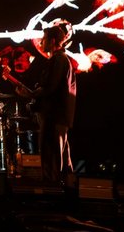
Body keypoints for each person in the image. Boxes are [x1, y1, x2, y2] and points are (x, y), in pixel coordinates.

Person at [12, 19, 76, 185]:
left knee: (52, 160)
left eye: (45, 38)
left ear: (53, 41)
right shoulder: (60, 60)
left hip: (54, 118)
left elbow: (49, 88)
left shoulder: (59, 60)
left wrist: (30, 95)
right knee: (59, 158)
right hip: (57, 117)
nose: (41, 42)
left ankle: (54, 196)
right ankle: (63, 193)